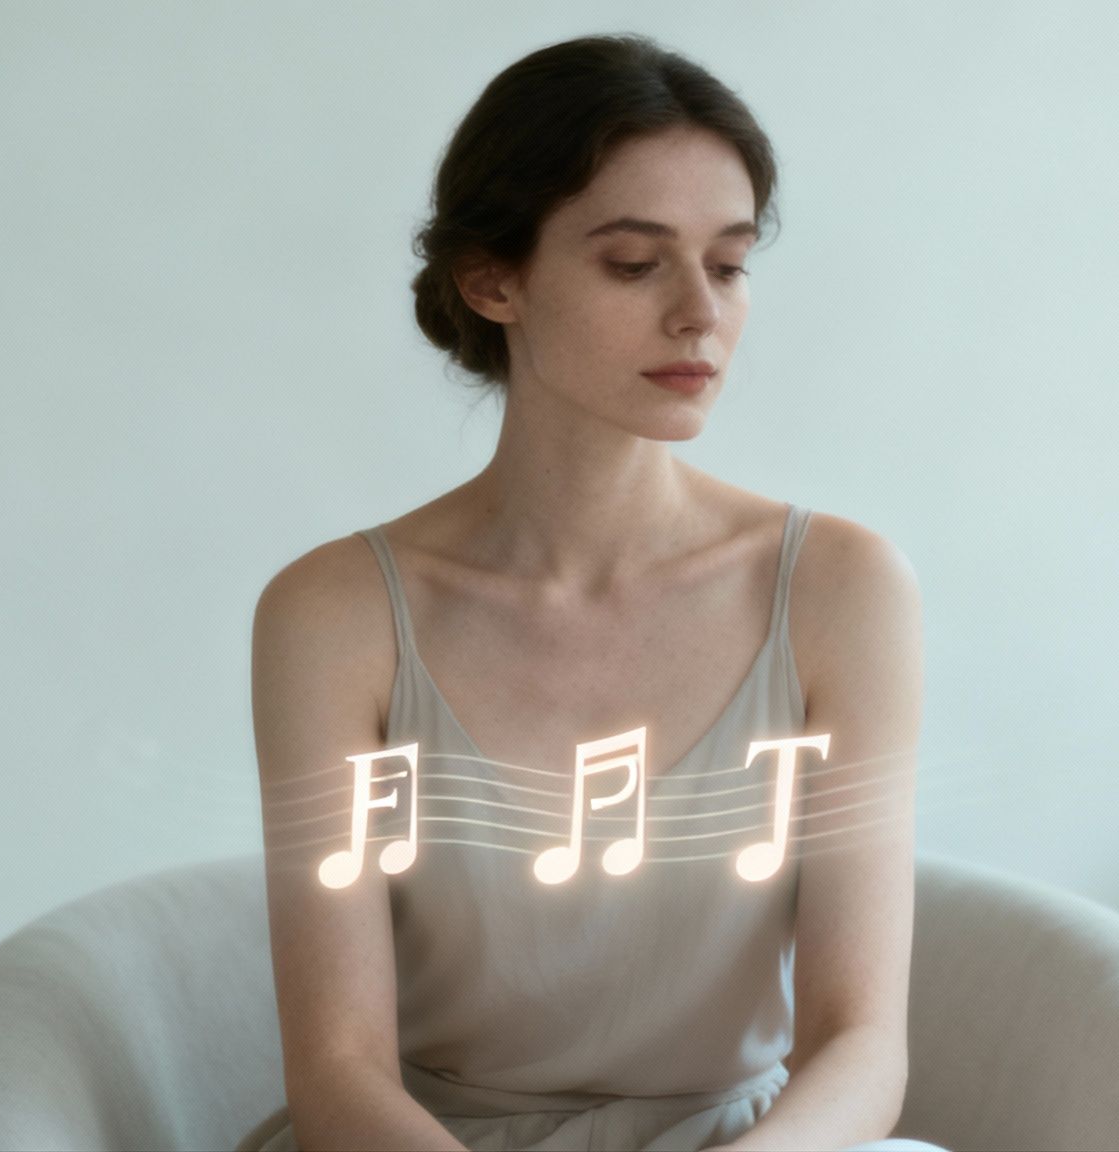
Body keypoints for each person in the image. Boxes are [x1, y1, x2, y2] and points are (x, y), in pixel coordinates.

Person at [242, 32, 940, 1152]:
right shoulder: (331, 615)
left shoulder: (841, 589)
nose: (697, 315)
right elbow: (337, 1068)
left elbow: (861, 1045)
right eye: (633, 263)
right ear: (491, 278)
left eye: (727, 262)